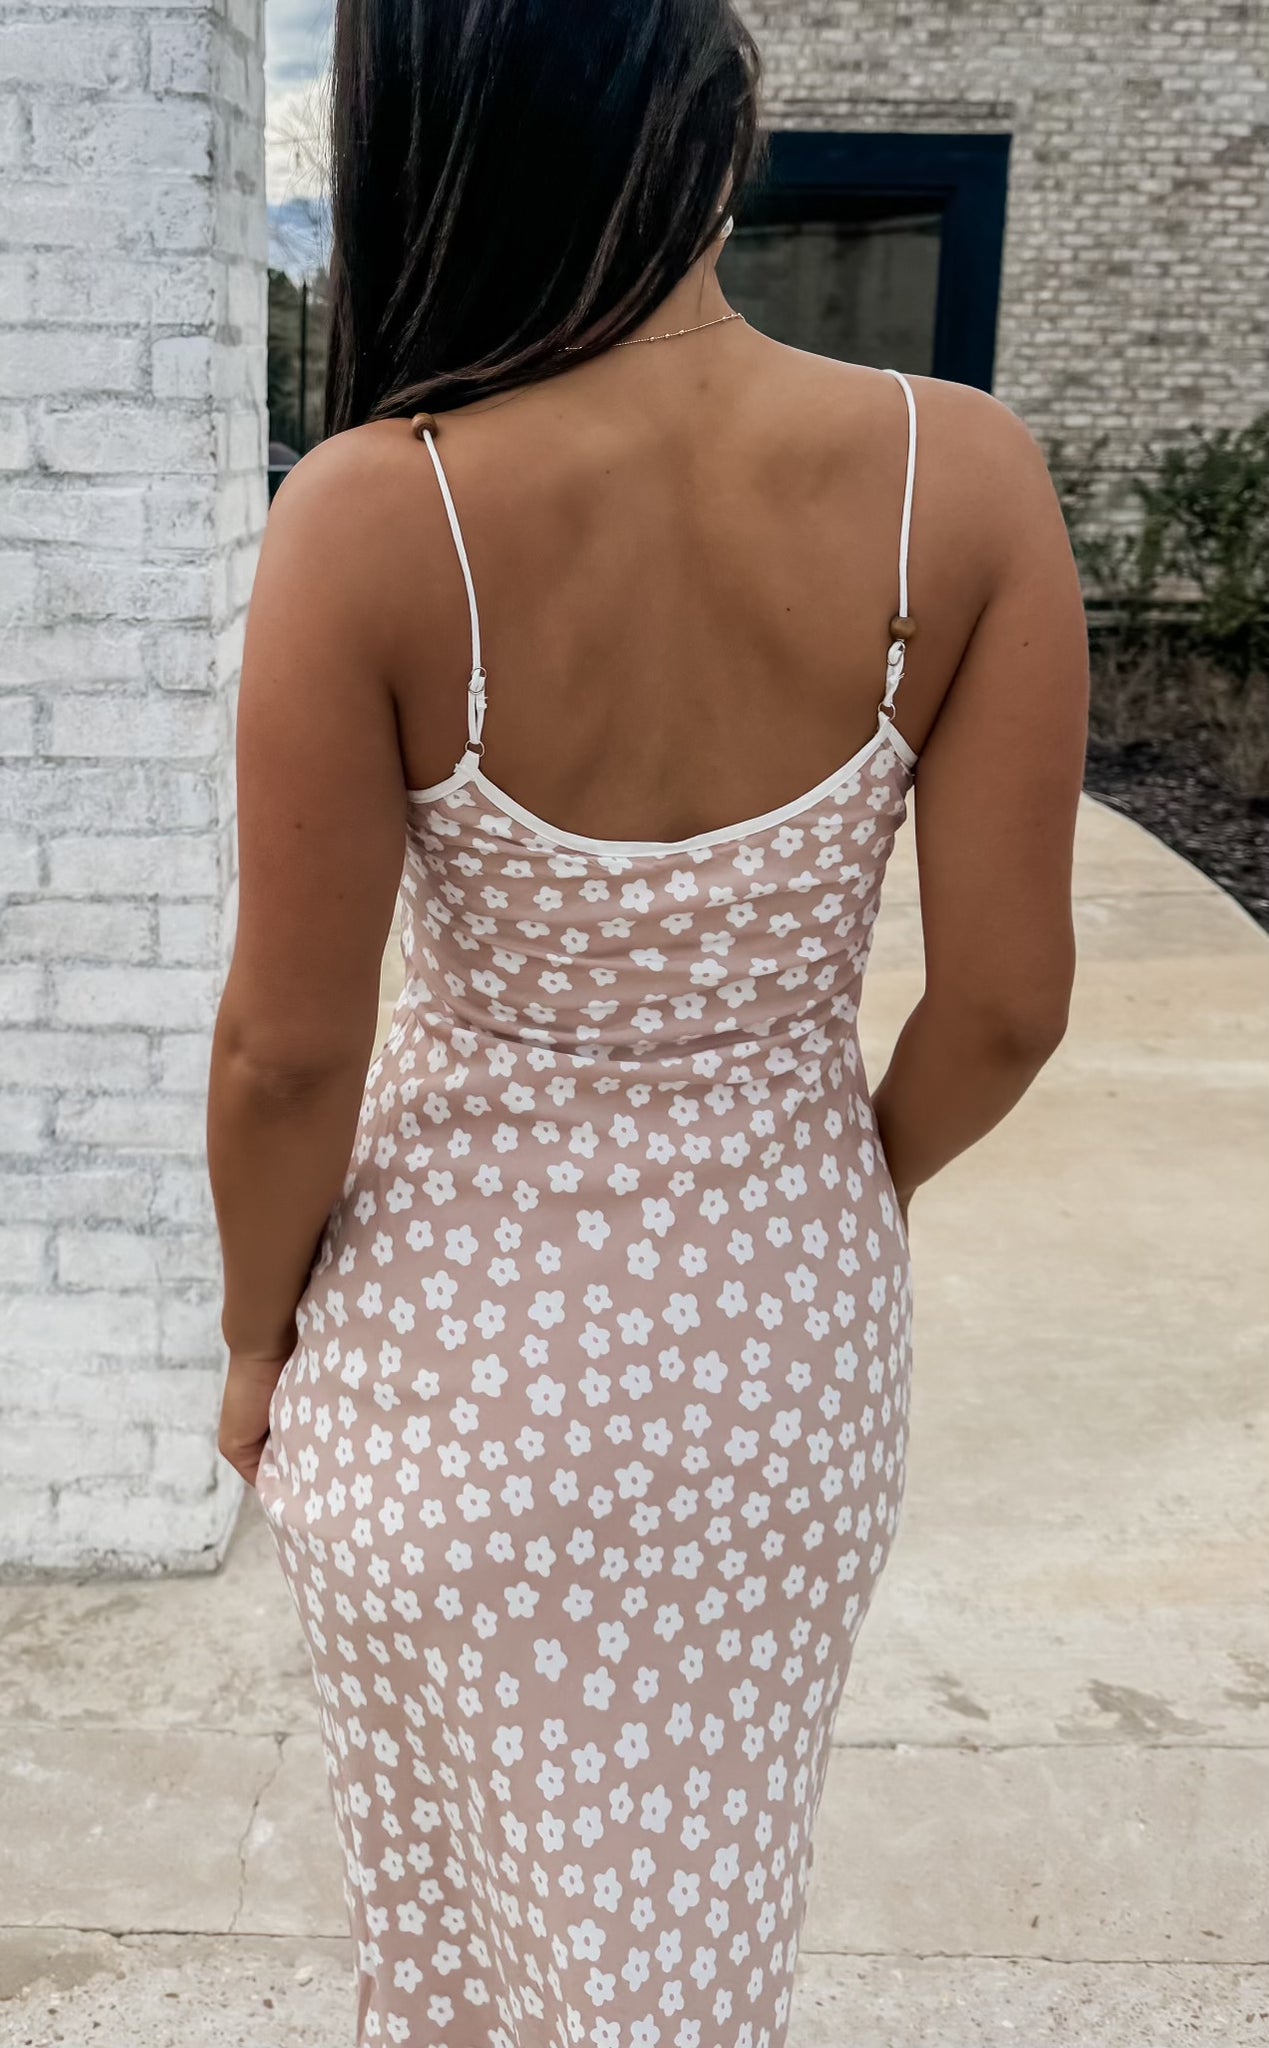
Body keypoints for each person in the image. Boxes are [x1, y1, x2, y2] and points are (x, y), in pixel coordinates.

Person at [207, 3, 1088, 2042]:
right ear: (716, 128)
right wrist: (831, 1178)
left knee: (457, 1938)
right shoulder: (957, 481)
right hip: (774, 1359)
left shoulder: (375, 511)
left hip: (447, 1368)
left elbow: (285, 1056)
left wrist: (257, 1339)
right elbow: (1003, 1004)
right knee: (690, 1922)